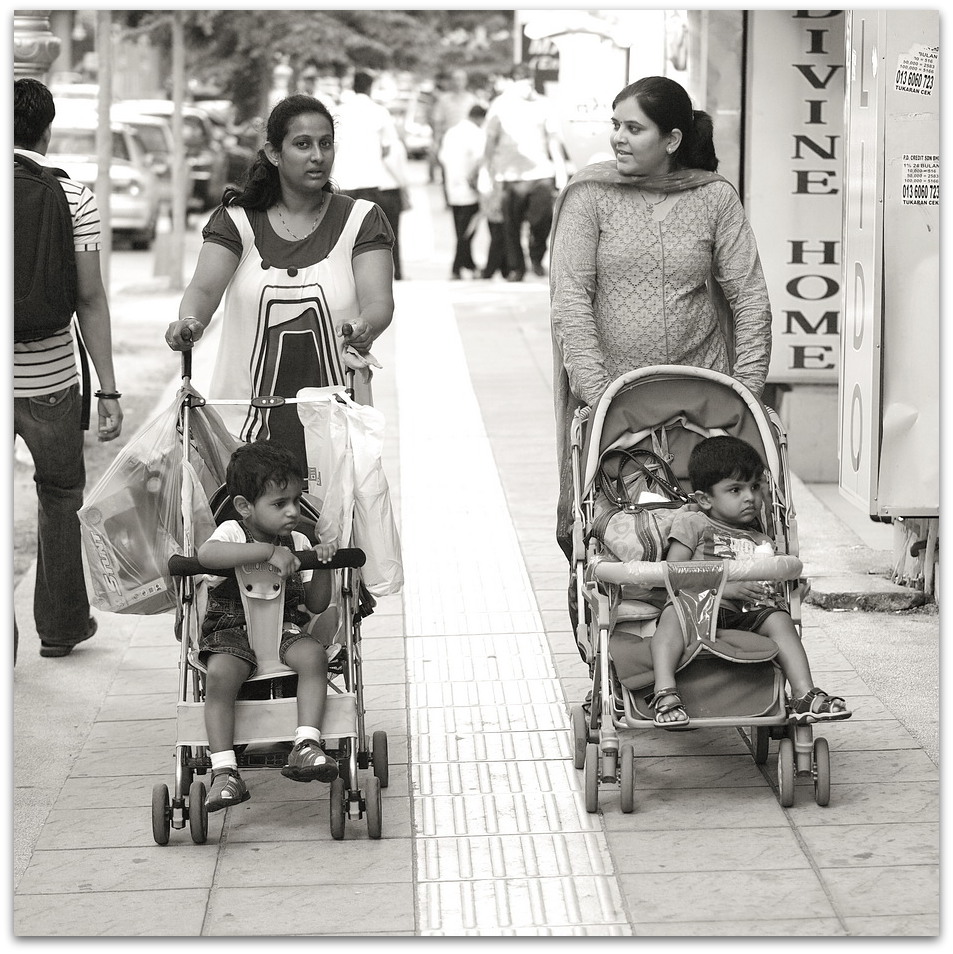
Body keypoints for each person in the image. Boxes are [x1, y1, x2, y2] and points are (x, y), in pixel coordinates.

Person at [550, 75, 772, 560]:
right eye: (616, 125)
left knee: (716, 528)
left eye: (634, 128)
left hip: (705, 400)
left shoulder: (714, 197)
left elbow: (750, 297)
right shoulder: (591, 193)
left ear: (671, 140)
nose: (618, 138)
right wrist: (602, 396)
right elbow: (571, 299)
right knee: (618, 534)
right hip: (615, 399)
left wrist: (744, 394)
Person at [164, 93, 395, 476]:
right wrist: (189, 322)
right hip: (242, 435)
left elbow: (379, 303)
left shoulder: (362, 220)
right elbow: (203, 291)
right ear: (274, 153)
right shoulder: (237, 220)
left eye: (325, 144)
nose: (317, 156)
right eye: (302, 145)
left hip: (335, 432)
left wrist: (363, 326)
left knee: (332, 515)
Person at [13, 77, 124, 661]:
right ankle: (60, 628)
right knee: (59, 497)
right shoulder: (72, 196)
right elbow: (90, 297)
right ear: (47, 131)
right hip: (52, 381)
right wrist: (108, 389)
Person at [646, 436, 852, 728]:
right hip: (697, 606)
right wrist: (722, 587)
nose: (750, 497)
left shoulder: (760, 539)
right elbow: (674, 571)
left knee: (780, 619)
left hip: (747, 613)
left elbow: (771, 577)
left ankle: (804, 693)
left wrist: (788, 584)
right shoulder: (693, 523)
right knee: (671, 617)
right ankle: (665, 691)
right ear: (705, 499)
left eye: (755, 487)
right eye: (736, 489)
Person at [197, 440, 340, 811]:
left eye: (296, 500)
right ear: (245, 506)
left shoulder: (298, 540)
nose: (292, 511)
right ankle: (224, 770)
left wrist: (323, 563)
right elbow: (207, 555)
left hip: (284, 630)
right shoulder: (232, 532)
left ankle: (306, 744)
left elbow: (316, 604)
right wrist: (267, 552)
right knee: (219, 674)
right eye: (279, 504)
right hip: (232, 632)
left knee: (314, 657)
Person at [483, 63, 568, 282]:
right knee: (511, 226)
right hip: (509, 175)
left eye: (530, 82)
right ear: (512, 83)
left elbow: (553, 140)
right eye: (523, 82)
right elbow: (490, 141)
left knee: (542, 220)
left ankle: (536, 256)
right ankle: (517, 268)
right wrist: (486, 171)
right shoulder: (499, 105)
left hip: (541, 173)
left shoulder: (544, 104)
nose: (527, 87)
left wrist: (560, 172)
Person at [438, 104, 487, 280]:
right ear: (480, 118)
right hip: (470, 190)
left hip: (453, 189)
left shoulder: (451, 132)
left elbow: (442, 158)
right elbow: (480, 160)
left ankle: (469, 264)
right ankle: (456, 268)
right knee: (466, 233)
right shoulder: (477, 133)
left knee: (460, 230)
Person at [431, 68, 480, 194]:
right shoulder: (444, 100)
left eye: (461, 79)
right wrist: (436, 143)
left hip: (468, 143)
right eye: (455, 79)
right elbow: (437, 123)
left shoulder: (472, 99)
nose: (458, 83)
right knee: (449, 174)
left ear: (466, 81)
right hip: (450, 143)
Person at [377, 134, 410, 281]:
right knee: (394, 234)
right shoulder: (396, 144)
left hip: (374, 190)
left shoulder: (370, 142)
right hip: (392, 191)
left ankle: (380, 274)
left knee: (375, 236)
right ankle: (398, 272)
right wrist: (405, 188)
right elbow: (399, 169)